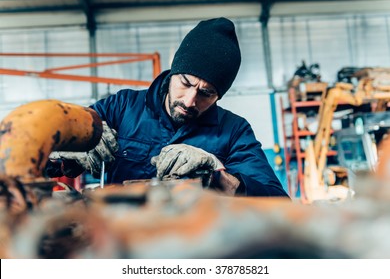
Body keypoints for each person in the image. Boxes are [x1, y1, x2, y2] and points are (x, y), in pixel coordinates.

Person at [48, 17, 289, 197]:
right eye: (185, 83)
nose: (189, 101)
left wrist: (217, 174)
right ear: (173, 72)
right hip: (119, 242)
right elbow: (46, 161)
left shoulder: (234, 131)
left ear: (219, 96)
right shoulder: (121, 108)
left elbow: (277, 201)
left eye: (206, 93)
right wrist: (65, 146)